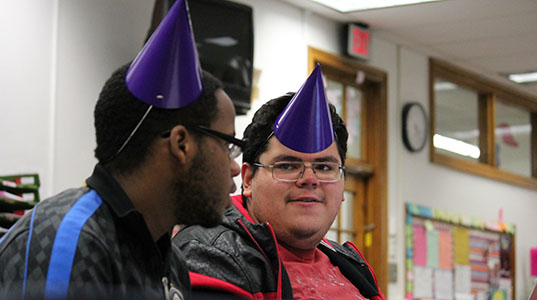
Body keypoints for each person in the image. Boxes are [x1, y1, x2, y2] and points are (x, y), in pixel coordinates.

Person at [0, 0, 241, 299]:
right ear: (181, 144)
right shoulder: (69, 242)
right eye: (228, 144)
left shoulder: (170, 261)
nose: (234, 167)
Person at [174, 65, 385, 300]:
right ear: (248, 179)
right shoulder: (210, 254)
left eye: (325, 167)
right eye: (287, 166)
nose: (309, 179)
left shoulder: (351, 263)